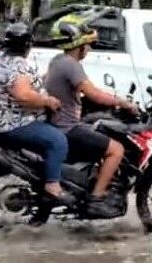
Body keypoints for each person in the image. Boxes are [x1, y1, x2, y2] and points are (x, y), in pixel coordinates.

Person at [45, 17, 138, 218]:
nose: (89, 49)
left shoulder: (59, 61)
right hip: (67, 128)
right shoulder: (71, 64)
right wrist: (123, 103)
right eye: (87, 44)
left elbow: (84, 93)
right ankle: (96, 198)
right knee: (116, 150)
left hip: (59, 125)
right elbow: (93, 93)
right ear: (77, 44)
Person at [0, 23, 72, 203]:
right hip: (13, 122)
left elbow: (23, 84)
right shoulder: (17, 64)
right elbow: (23, 95)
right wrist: (47, 101)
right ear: (27, 45)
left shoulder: (1, 58)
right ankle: (52, 184)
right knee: (58, 141)